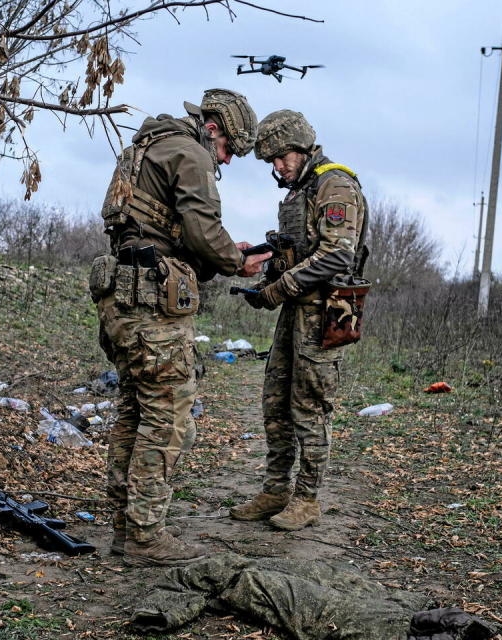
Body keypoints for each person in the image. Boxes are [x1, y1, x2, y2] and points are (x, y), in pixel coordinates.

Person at [90, 89, 269, 566]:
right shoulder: (191, 153)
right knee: (168, 419)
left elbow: (162, 232)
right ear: (214, 130)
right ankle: (147, 538)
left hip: (122, 299)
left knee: (134, 411)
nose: (226, 161)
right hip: (152, 305)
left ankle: (126, 529)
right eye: (230, 149)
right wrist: (238, 261)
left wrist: (222, 255)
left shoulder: (147, 147)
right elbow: (203, 230)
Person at [230, 109, 368, 531]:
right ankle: (275, 490)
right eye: (271, 160)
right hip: (295, 312)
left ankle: (306, 498)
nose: (276, 167)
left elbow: (337, 254)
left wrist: (280, 287)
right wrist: (265, 269)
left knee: (309, 407)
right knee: (275, 403)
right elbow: (298, 251)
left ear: (301, 147)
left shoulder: (335, 185)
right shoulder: (299, 192)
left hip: (326, 312)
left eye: (280, 158)